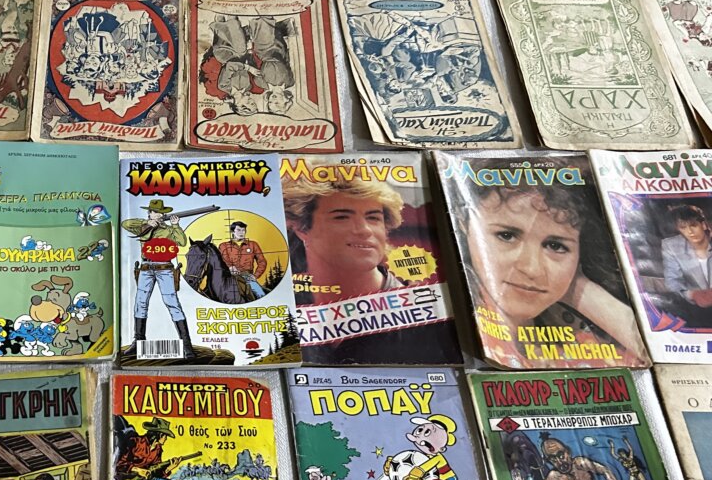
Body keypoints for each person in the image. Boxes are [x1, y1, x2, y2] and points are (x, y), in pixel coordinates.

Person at [448, 174, 648, 367]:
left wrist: (584, 292)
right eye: (507, 236)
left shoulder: (581, 341)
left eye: (555, 246)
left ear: (580, 254)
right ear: (464, 224)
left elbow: (654, 357)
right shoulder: (453, 325)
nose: (531, 269)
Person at [284, 178, 461, 365]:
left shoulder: (432, 318)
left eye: (373, 218)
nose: (365, 230)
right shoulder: (281, 305)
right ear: (302, 228)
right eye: (342, 217)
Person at [121, 199, 193, 358]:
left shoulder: (168, 229)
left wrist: (175, 225)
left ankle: (187, 346)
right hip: (146, 267)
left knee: (172, 303)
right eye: (155, 212)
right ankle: (138, 342)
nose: (159, 215)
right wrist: (147, 223)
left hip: (164, 268)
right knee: (140, 303)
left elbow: (182, 242)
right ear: (150, 213)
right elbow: (125, 224)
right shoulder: (142, 226)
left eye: (161, 212)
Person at [661, 204, 712, 315]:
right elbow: (672, 281)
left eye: (693, 225)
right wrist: (692, 294)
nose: (690, 232)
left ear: (703, 225)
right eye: (683, 228)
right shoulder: (671, 246)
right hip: (695, 310)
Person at [218, 221, 268, 300]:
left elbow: (262, 262)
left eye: (243, 230)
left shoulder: (253, 244)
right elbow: (223, 259)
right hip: (228, 276)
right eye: (238, 230)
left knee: (260, 294)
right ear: (232, 232)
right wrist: (230, 267)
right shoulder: (223, 246)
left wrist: (255, 275)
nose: (241, 232)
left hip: (247, 276)